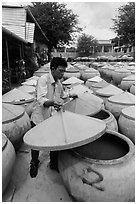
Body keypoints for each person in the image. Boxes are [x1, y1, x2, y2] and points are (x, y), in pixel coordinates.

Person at [30, 57, 72, 178]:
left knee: (55, 141)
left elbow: (63, 95)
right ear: (52, 69)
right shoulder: (43, 80)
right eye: (60, 71)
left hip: (53, 118)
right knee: (36, 142)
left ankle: (53, 163)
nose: (62, 73)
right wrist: (53, 102)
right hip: (40, 118)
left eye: (64, 71)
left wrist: (71, 95)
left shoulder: (58, 82)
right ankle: (34, 162)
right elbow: (41, 99)